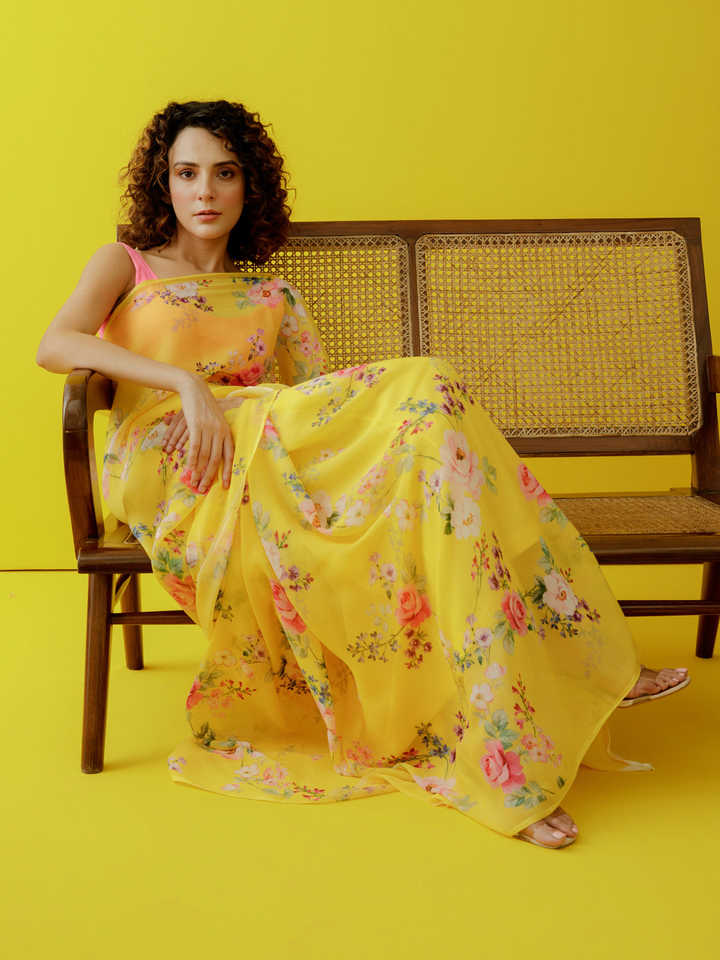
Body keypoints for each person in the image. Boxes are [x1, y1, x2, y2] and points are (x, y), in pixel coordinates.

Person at [36, 99, 690, 850]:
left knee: (434, 453)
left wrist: (269, 422)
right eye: (186, 174)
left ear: (250, 187)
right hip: (174, 464)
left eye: (224, 173)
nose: (204, 191)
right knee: (426, 387)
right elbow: (56, 343)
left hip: (264, 455)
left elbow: (317, 404)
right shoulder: (126, 263)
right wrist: (186, 385)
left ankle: (527, 718)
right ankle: (585, 664)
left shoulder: (274, 296)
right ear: (164, 183)